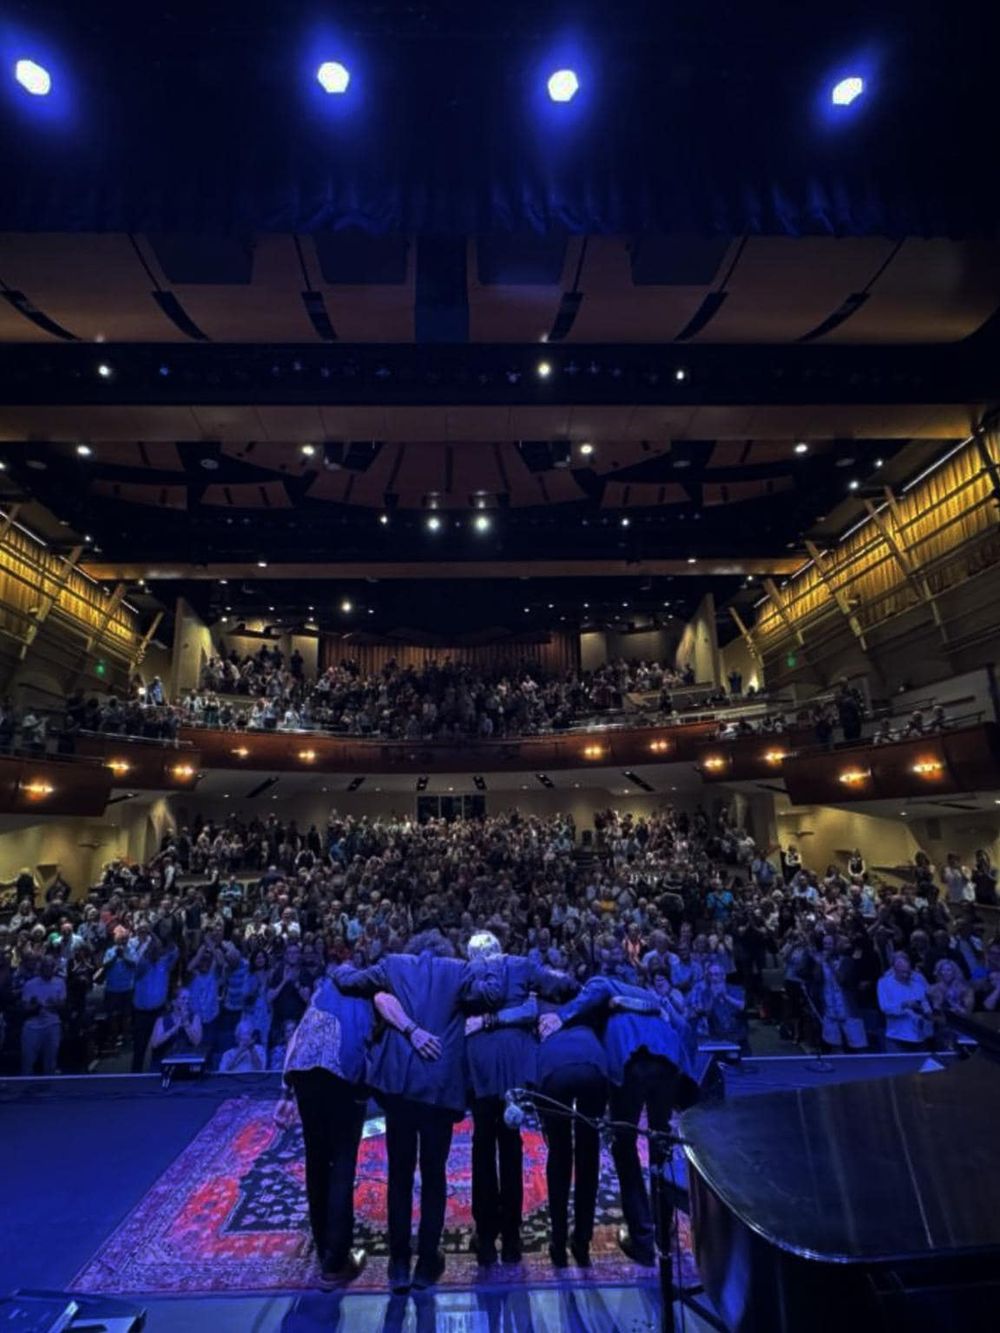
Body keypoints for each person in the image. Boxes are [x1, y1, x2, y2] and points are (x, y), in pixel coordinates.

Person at [335, 928, 502, 1293]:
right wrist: (491, 968)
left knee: (399, 1173)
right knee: (434, 1175)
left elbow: (351, 983)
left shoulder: (393, 964)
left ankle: (397, 1264)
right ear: (444, 950)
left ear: (414, 947)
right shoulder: (459, 970)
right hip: (439, 1086)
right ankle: (427, 1262)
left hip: (400, 1084)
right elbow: (492, 996)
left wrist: (340, 970)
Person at [545, 972, 696, 1268]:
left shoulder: (602, 983)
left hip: (630, 1059)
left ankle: (642, 1240)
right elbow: (684, 1028)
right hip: (668, 1060)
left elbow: (595, 989)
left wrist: (560, 1016)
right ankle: (664, 1233)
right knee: (660, 1142)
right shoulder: (651, 996)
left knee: (623, 1144)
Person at [461, 930, 574, 1266]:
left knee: (482, 1146)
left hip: (479, 1060)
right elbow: (563, 985)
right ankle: (511, 1239)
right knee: (511, 1146)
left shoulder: (466, 971)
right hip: (516, 1061)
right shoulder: (522, 965)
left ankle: (484, 1240)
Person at [535, 1001, 609, 1269]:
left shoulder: (540, 1009)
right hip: (592, 1068)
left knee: (560, 1154)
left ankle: (558, 1244)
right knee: (588, 1155)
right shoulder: (582, 1009)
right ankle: (582, 1242)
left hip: (554, 1072)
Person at [877, 953, 933, 1052]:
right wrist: (905, 1005)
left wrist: (926, 1013)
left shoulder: (917, 984)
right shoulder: (884, 983)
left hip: (919, 1036)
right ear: (894, 969)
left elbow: (926, 1005)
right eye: (902, 972)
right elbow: (885, 1007)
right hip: (897, 1036)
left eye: (908, 972)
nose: (906, 975)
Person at [20, 954, 65, 1075]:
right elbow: (25, 1007)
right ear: (41, 968)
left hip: (52, 1024)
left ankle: (49, 1090)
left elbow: (62, 1005)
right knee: (28, 1061)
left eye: (51, 967)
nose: (48, 969)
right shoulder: (30, 984)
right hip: (32, 1027)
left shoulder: (60, 983)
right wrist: (34, 1007)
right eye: (46, 966)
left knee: (50, 1062)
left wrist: (54, 1004)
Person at [149, 988, 204, 1071]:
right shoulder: (162, 1019)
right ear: (174, 1002)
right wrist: (174, 1028)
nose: (187, 1001)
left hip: (186, 1062)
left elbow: (196, 1042)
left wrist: (186, 1023)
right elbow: (154, 1043)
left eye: (189, 999)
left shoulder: (195, 1018)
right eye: (183, 998)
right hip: (163, 1061)